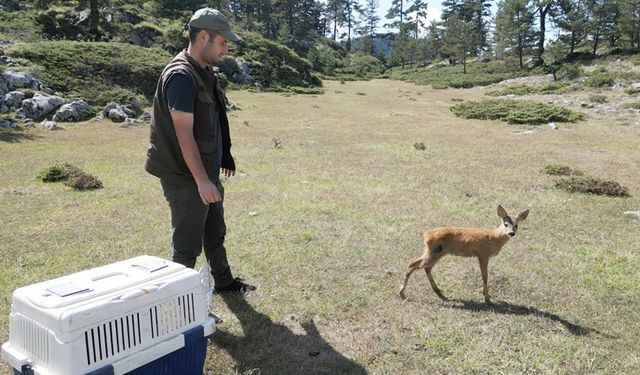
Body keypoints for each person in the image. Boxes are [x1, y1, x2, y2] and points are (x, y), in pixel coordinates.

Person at [145, 8, 254, 294]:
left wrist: (219, 162)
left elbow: (214, 120)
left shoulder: (204, 72)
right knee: (187, 246)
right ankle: (175, 303)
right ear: (203, 36)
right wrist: (202, 181)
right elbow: (184, 133)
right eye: (222, 42)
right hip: (185, 176)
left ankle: (225, 282)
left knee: (214, 232)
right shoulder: (181, 76)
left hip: (205, 170)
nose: (226, 48)